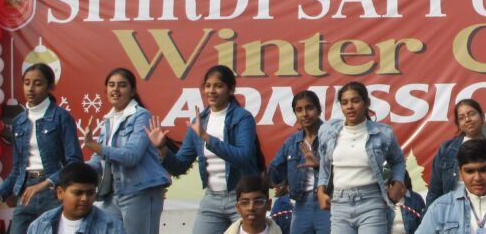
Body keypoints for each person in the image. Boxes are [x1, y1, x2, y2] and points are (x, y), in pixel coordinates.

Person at [148, 65, 265, 234]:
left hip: (243, 197)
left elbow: (243, 157)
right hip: (212, 198)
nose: (211, 91)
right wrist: (162, 148)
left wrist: (207, 138)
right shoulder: (199, 121)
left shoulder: (243, 118)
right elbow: (180, 166)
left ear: (231, 89)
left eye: (218, 86)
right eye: (208, 86)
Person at [0, 63, 83, 234]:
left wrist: (45, 183)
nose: (31, 88)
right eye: (27, 83)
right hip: (25, 191)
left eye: (38, 83)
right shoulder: (19, 121)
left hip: (54, 191)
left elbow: (74, 162)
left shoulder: (61, 117)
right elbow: (17, 170)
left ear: (50, 87)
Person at [83, 67, 170, 234]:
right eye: (111, 85)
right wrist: (73, 170)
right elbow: (98, 160)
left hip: (140, 191)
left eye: (122, 85)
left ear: (133, 91)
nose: (115, 89)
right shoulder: (108, 119)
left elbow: (131, 156)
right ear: (106, 90)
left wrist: (97, 147)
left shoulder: (141, 116)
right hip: (112, 193)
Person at [316, 82, 407, 234]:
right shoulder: (328, 132)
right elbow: (324, 167)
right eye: (344, 102)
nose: (350, 106)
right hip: (339, 204)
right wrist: (320, 191)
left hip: (372, 202)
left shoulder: (383, 133)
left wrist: (398, 183)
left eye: (355, 101)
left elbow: (397, 161)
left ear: (366, 103)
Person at [267, 90, 328, 234]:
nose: (305, 114)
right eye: (299, 110)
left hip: (328, 202)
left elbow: (343, 170)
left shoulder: (331, 136)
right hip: (301, 204)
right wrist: (277, 186)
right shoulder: (292, 142)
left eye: (309, 108)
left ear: (319, 110)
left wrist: (319, 165)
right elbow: (274, 173)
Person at [426, 99, 486, 206]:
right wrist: (429, 214)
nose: (467, 119)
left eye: (471, 114)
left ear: (482, 117)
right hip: (452, 210)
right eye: (462, 118)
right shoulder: (446, 149)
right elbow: (434, 191)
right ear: (458, 124)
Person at [27, 162, 125, 234]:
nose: (84, 198)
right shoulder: (40, 225)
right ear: (60, 193)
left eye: (90, 193)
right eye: (78, 193)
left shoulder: (112, 228)